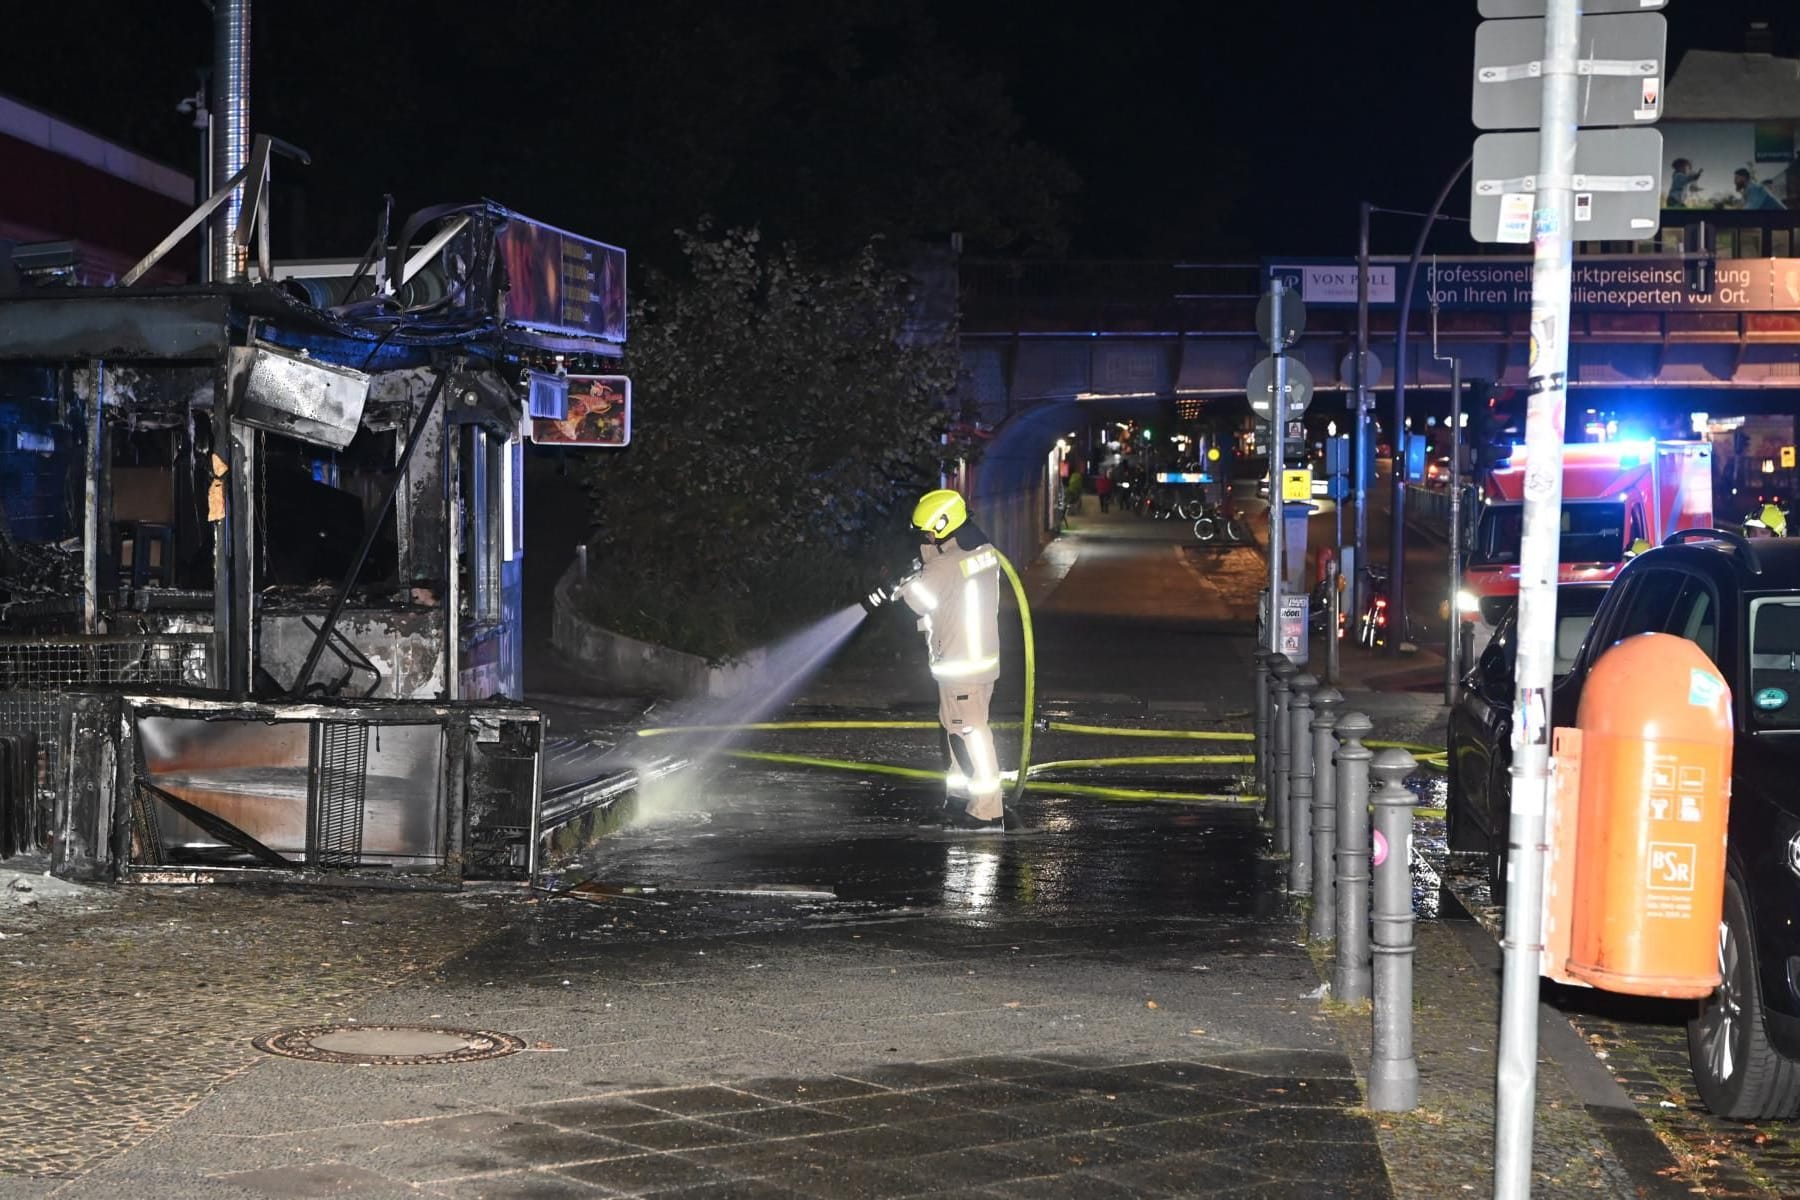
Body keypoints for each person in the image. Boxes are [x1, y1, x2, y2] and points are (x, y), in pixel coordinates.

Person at [865, 489, 1006, 831]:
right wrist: (923, 561)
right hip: (977, 660)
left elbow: (918, 599)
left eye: (928, 531)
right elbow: (947, 574)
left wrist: (895, 586)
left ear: (944, 526)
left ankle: (987, 811)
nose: (925, 537)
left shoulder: (944, 566)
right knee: (955, 728)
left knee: (969, 735)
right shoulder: (982, 551)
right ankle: (959, 800)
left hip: (960, 664)